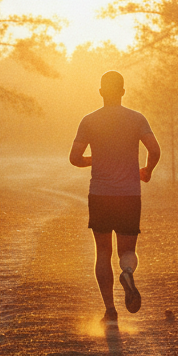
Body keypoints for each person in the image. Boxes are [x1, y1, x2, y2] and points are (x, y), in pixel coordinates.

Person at [69, 71, 160, 326]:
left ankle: (110, 312)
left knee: (102, 253)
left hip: (100, 194)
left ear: (100, 92)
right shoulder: (137, 119)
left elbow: (74, 158)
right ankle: (128, 273)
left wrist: (94, 160)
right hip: (129, 195)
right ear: (123, 91)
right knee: (127, 251)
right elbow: (154, 150)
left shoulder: (89, 121)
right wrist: (147, 170)